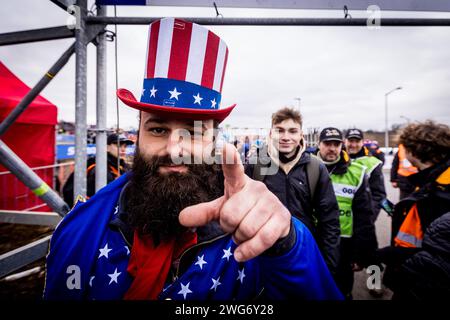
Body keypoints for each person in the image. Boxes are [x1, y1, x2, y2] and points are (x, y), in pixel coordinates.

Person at [44, 18, 342, 300]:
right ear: (138, 136)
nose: (175, 147)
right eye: (158, 128)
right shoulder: (82, 229)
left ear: (214, 141)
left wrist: (288, 242)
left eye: (192, 132)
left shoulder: (253, 236)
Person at [245, 107, 341, 275]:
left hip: (305, 253)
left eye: (292, 131)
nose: (286, 137)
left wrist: (328, 265)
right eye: (279, 131)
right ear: (270, 133)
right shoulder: (255, 165)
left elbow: (329, 220)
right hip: (263, 255)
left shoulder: (315, 167)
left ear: (300, 136)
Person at [377, 120, 450, 298]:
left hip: (425, 283)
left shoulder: (440, 193)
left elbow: (431, 251)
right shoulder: (433, 181)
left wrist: (379, 255)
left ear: (413, 150)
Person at [316, 127, 377, 298]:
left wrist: (361, 252)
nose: (332, 148)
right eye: (327, 143)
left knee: (342, 289)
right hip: (314, 239)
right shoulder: (307, 168)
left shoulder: (356, 173)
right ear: (319, 145)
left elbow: (364, 216)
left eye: (336, 144)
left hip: (344, 243)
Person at [62, 133, 133, 208]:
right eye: (118, 145)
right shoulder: (95, 166)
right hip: (95, 213)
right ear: (107, 147)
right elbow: (69, 191)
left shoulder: (123, 167)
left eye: (125, 146)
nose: (123, 149)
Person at [345, 129, 386, 223]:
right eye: (351, 141)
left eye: (357, 141)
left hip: (362, 221)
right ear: (345, 141)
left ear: (362, 142)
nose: (354, 145)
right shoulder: (337, 159)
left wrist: (370, 217)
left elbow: (379, 195)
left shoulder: (373, 163)